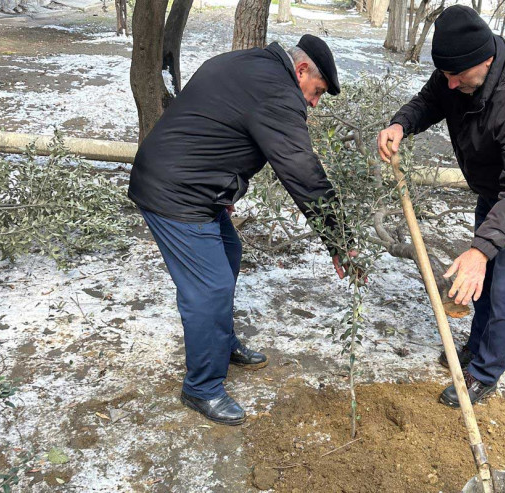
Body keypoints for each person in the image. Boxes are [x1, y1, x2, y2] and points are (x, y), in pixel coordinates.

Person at [128, 35, 353, 426]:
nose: (314, 104)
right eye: (316, 92)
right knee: (210, 287)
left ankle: (220, 342)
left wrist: (224, 181)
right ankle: (202, 388)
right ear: (300, 70)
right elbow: (303, 173)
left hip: (192, 183)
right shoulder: (278, 93)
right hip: (175, 192)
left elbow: (215, 120)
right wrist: (339, 239)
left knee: (229, 253)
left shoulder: (251, 63)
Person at [377, 6, 505, 408]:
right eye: (445, 75)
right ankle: (476, 347)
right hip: (495, 182)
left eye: (457, 77)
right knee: (478, 273)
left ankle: (485, 372)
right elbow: (431, 100)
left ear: (484, 61)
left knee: (502, 281)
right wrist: (401, 124)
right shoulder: (459, 69)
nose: (449, 84)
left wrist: (482, 251)